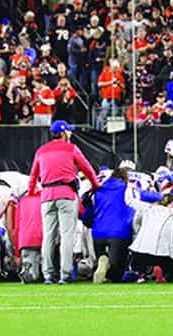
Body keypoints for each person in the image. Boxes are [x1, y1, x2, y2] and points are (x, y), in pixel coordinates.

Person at [27, 120, 100, 284]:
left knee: (48, 236)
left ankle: (48, 274)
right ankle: (64, 274)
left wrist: (32, 192)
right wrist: (95, 184)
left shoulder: (41, 151)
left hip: (46, 196)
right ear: (63, 133)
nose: (71, 134)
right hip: (66, 194)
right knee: (67, 236)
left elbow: (33, 176)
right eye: (69, 131)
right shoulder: (71, 148)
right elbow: (87, 168)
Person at [124, 185, 173, 282]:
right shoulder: (172, 213)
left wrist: (129, 188)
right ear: (169, 203)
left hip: (139, 251)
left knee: (138, 261)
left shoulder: (148, 207)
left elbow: (129, 201)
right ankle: (162, 271)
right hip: (161, 255)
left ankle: (141, 274)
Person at [85, 167, 137, 283]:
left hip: (98, 232)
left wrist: (88, 223)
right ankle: (108, 268)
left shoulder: (97, 190)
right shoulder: (128, 189)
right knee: (117, 273)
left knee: (103, 260)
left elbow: (88, 212)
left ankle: (104, 264)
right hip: (120, 232)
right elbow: (145, 196)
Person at [96, 60, 125, 129]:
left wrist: (119, 83)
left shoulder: (119, 75)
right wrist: (110, 82)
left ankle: (112, 129)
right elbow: (99, 84)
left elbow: (123, 86)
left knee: (115, 115)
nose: (116, 69)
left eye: (116, 68)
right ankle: (98, 128)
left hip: (116, 98)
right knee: (104, 114)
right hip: (107, 98)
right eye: (114, 67)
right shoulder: (105, 74)